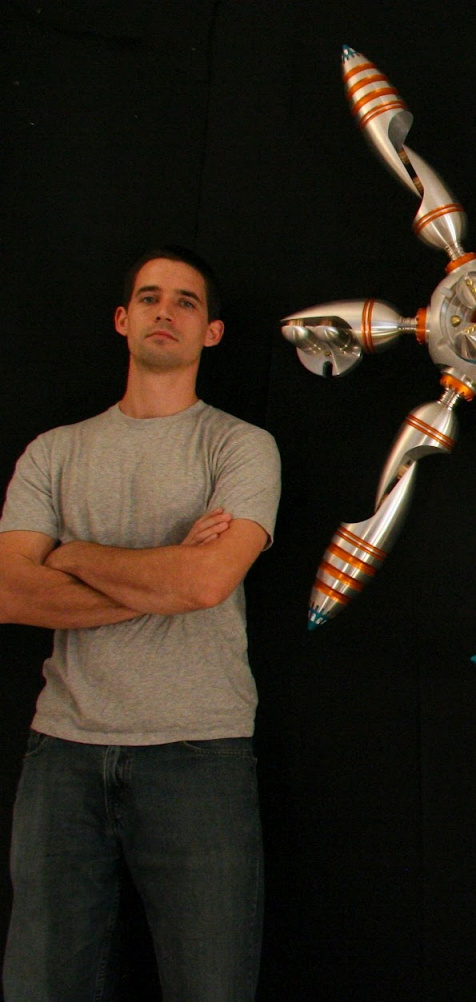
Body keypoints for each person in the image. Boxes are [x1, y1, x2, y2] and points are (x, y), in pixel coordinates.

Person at [0, 247, 281, 999]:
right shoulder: (54, 452)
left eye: (186, 301)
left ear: (212, 332)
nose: (166, 311)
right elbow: (10, 593)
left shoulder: (240, 446)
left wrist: (72, 555)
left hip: (200, 753)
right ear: (123, 320)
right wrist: (166, 575)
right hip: (62, 752)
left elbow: (207, 582)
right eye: (150, 298)